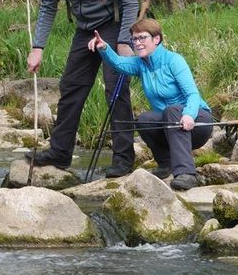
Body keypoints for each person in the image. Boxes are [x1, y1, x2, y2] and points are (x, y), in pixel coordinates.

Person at [25, 0, 139, 177]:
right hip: (84, 30)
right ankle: (59, 153)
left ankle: (123, 160)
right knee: (71, 88)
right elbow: (47, 6)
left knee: (116, 91)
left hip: (112, 27)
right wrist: (37, 47)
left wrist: (124, 42)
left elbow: (130, 0)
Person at [87, 18, 212, 190]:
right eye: (134, 39)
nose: (137, 43)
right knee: (144, 119)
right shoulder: (141, 64)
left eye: (142, 38)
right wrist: (104, 48)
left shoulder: (174, 60)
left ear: (156, 39)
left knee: (172, 110)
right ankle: (165, 164)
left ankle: (187, 173)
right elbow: (118, 63)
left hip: (197, 122)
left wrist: (189, 114)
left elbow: (193, 94)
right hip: (170, 125)